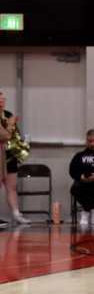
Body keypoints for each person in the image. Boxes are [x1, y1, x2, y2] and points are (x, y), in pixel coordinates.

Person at [0, 91, 29, 225]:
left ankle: (16, 215)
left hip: (9, 156)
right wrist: (10, 124)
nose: (1, 101)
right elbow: (4, 135)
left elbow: (14, 135)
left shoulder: (8, 114)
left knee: (12, 187)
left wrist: (20, 148)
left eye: (2, 99)